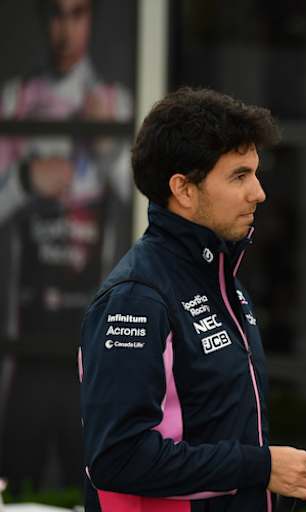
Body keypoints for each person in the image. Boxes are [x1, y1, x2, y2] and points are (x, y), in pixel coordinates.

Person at [78, 88, 306, 511]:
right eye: (239, 176)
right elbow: (117, 457)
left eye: (256, 174)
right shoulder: (137, 298)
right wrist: (260, 467)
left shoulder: (222, 280)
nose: (259, 192)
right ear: (184, 189)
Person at [0, 0, 132, 492]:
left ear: (91, 19)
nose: (66, 29)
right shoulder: (15, 101)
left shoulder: (116, 104)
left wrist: (109, 149)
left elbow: (155, 201)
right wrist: (23, 182)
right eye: (57, 14)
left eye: (77, 14)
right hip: (25, 338)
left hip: (95, 345)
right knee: (16, 486)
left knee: (94, 486)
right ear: (44, 20)